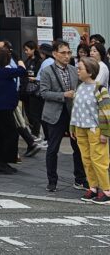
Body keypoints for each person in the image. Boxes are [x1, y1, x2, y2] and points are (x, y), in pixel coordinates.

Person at [40, 39, 88, 192]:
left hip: (73, 114)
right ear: (55, 54)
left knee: (78, 147)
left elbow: (80, 88)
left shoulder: (74, 70)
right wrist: (63, 95)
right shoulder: (47, 70)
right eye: (63, 53)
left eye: (68, 52)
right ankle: (52, 181)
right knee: (53, 149)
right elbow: (43, 93)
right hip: (55, 114)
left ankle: (80, 179)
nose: (67, 56)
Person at [70, 55, 110, 203]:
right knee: (86, 159)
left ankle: (106, 190)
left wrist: (105, 133)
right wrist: (72, 127)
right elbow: (75, 109)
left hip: (95, 129)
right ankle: (93, 188)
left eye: (80, 68)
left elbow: (106, 111)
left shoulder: (100, 89)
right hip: (81, 128)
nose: (77, 71)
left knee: (99, 160)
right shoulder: (80, 87)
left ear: (90, 71)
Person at [0, 46, 28, 175]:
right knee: (10, 135)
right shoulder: (3, 72)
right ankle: (3, 161)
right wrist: (19, 59)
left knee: (1, 135)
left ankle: (0, 161)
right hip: (3, 108)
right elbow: (22, 71)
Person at [21, 41, 45, 138]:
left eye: (27, 50)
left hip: (35, 91)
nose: (25, 52)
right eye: (25, 50)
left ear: (33, 49)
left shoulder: (39, 61)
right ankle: (33, 133)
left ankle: (36, 134)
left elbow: (39, 76)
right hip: (27, 90)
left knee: (34, 114)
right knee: (28, 114)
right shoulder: (28, 60)